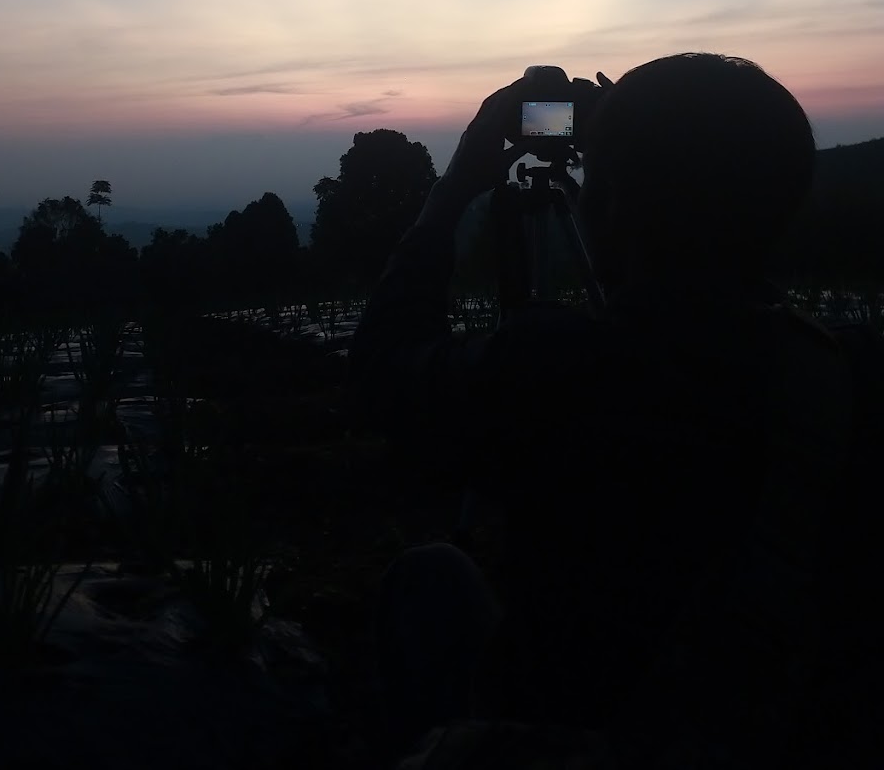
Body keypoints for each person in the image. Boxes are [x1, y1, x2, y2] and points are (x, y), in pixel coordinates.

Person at [350, 53, 884, 768]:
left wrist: (460, 178)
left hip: (587, 732)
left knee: (430, 578)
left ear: (608, 206)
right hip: (774, 727)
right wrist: (642, 140)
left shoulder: (559, 369)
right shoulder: (838, 367)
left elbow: (384, 369)